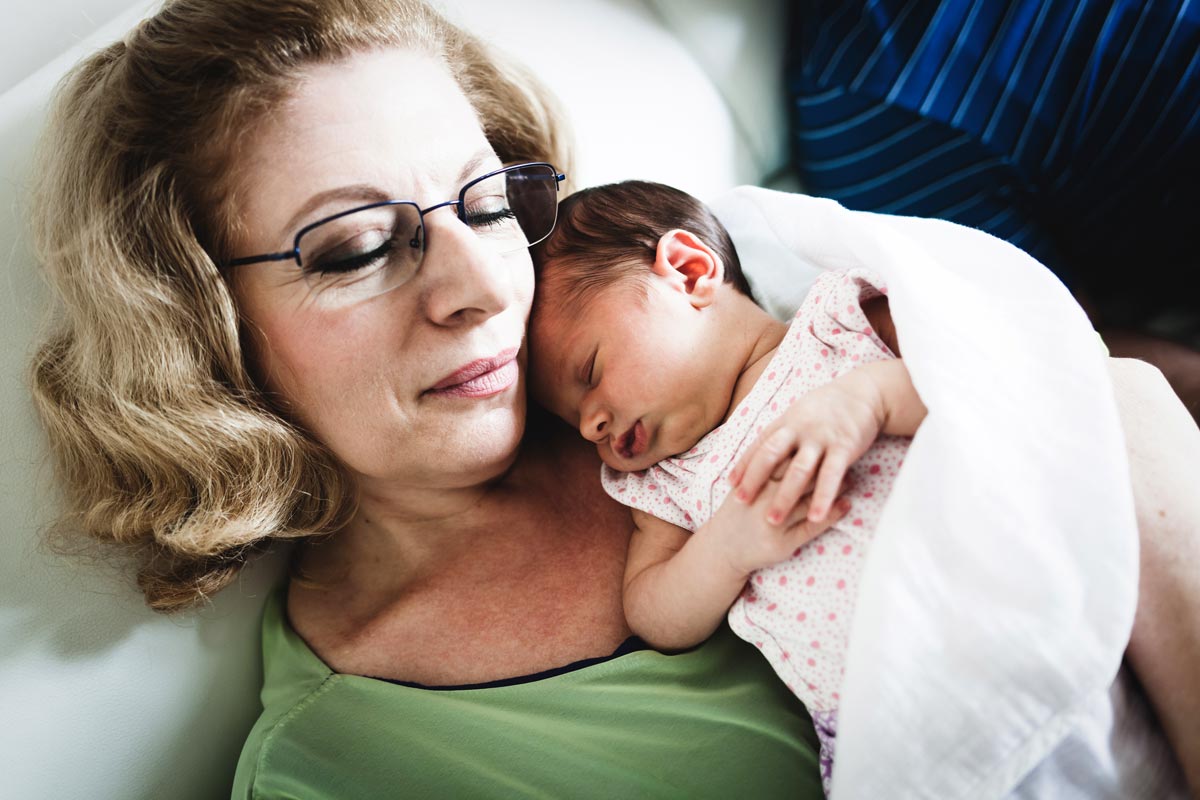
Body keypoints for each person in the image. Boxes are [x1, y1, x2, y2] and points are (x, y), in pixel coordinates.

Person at [23, 0, 1199, 796]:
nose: (485, 289)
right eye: (356, 247)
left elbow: (1066, 382)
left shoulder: (665, 347)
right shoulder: (348, 758)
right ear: (200, 329)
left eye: (488, 202)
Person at [527, 180, 1199, 792]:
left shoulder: (839, 324)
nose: (590, 424)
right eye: (570, 417)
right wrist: (728, 549)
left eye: (589, 371)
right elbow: (653, 612)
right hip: (903, 726)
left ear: (689, 270)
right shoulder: (665, 483)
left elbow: (998, 380)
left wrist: (872, 400)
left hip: (1023, 618)